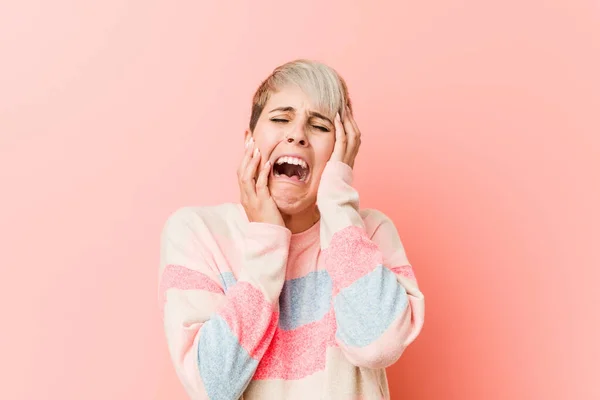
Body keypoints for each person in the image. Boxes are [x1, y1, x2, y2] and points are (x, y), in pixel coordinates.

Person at [159, 59, 425, 400]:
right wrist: (267, 240)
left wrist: (338, 205)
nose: (297, 134)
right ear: (249, 141)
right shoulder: (198, 233)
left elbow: (378, 347)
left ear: (343, 150)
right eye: (281, 118)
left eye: (319, 126)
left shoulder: (368, 233)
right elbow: (214, 385)